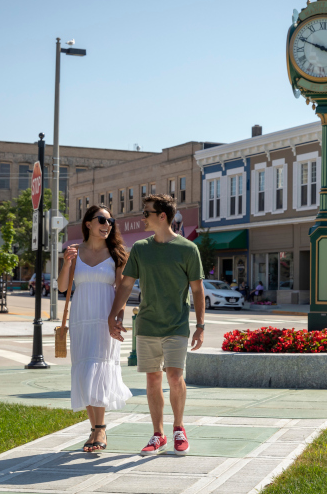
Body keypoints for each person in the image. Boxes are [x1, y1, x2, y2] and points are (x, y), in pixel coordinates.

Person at [113, 194, 205, 456]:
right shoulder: (141, 248)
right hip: (148, 325)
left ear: (162, 216)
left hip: (176, 325)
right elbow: (127, 284)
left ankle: (178, 428)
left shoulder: (188, 249)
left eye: (147, 213)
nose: (143, 217)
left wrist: (200, 325)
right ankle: (158, 435)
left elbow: (197, 290)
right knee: (153, 379)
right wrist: (115, 314)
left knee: (174, 377)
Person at [58, 204, 132, 452]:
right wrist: (67, 264)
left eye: (110, 221)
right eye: (101, 220)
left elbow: (121, 290)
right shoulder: (74, 252)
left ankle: (100, 430)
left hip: (104, 318)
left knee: (96, 369)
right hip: (81, 318)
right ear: (88, 223)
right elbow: (61, 287)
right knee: (85, 370)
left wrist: (117, 319)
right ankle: (94, 430)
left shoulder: (117, 254)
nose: (107, 225)